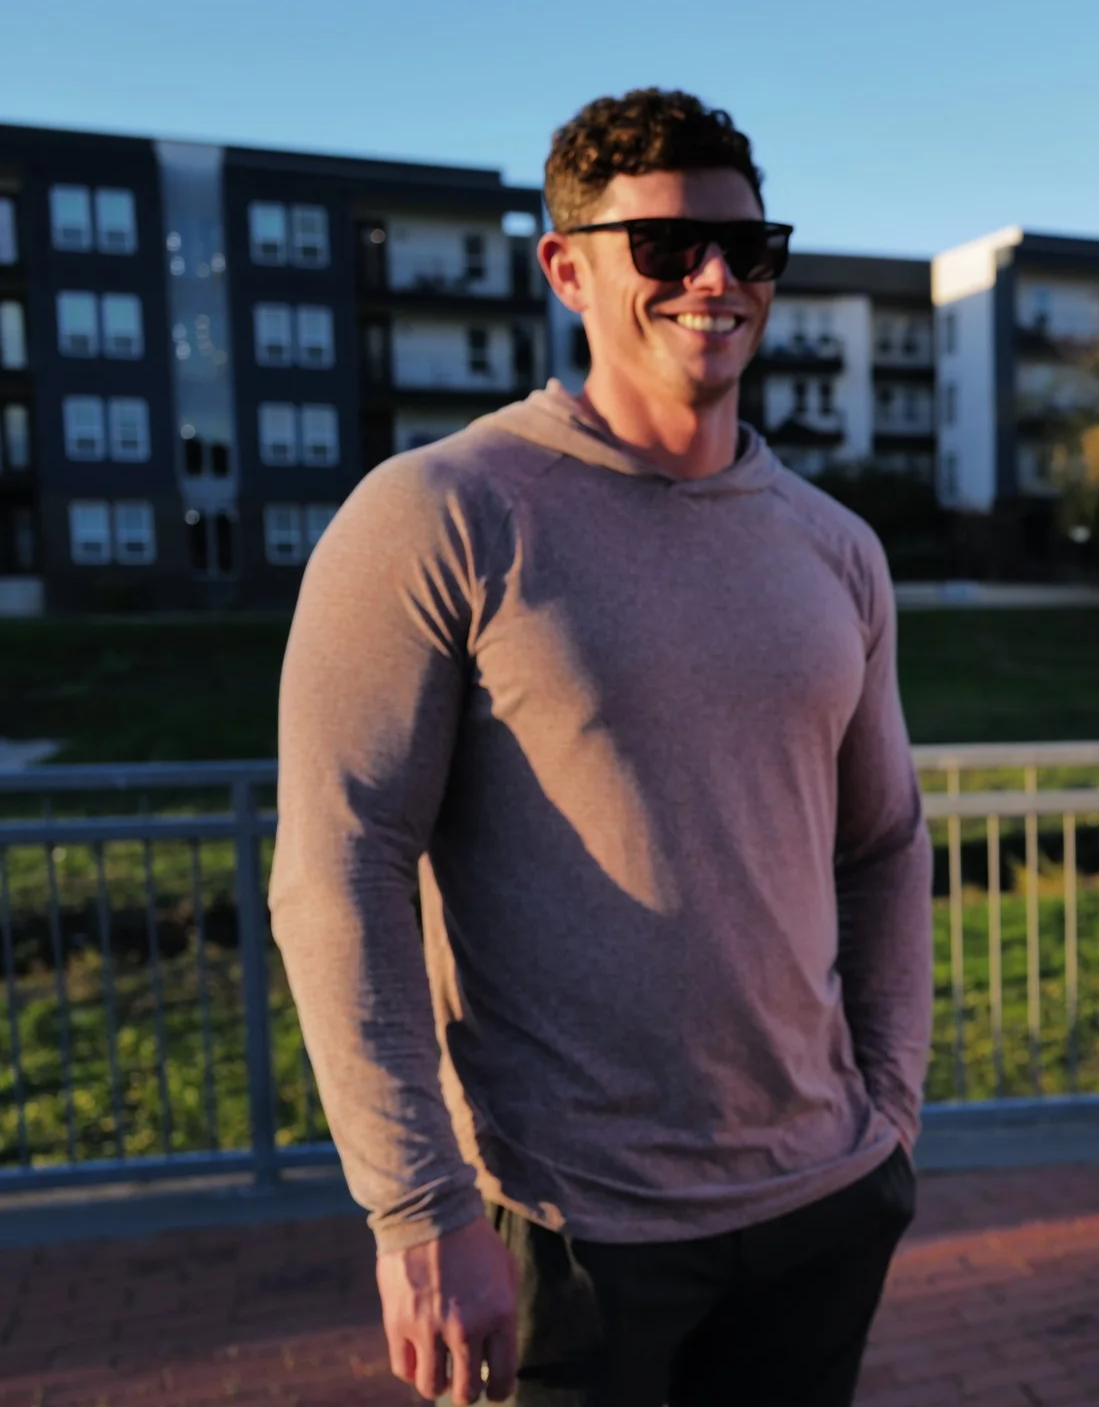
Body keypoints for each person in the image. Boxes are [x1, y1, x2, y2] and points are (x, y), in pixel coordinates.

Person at [270, 89, 931, 1407]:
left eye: (748, 248)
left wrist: (891, 1115)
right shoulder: (442, 513)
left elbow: (884, 843)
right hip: (565, 1228)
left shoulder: (835, 548)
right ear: (567, 269)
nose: (716, 279)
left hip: (820, 1203)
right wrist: (417, 1205)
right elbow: (339, 863)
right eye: (667, 246)